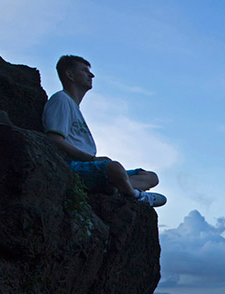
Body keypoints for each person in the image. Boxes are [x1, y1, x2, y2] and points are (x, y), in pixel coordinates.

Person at [41, 55, 166, 207]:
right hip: (73, 167)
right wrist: (91, 160)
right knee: (113, 167)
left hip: (89, 166)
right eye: (84, 71)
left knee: (150, 176)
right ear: (70, 75)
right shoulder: (61, 100)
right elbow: (54, 139)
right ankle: (134, 194)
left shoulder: (73, 105)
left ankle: (118, 186)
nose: (91, 75)